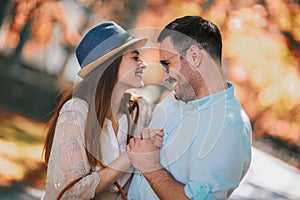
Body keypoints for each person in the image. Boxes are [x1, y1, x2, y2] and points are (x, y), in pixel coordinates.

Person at [126, 15, 252, 199]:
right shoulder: (176, 98)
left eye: (167, 64)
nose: (164, 77)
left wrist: (150, 168)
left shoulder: (229, 127)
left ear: (194, 56)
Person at [42, 21, 163, 199]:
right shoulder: (76, 111)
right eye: (135, 57)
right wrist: (131, 155)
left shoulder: (140, 112)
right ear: (110, 64)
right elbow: (72, 193)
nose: (144, 64)